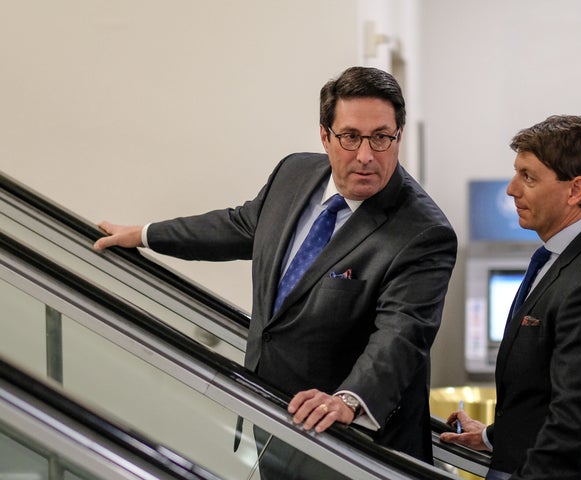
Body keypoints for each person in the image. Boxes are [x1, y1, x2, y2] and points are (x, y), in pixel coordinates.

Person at [93, 66, 458, 470]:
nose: (367, 155)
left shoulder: (423, 233)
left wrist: (348, 400)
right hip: (275, 417)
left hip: (354, 445)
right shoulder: (295, 173)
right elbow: (239, 226)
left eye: (381, 138)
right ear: (325, 135)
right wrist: (145, 234)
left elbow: (401, 334)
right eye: (351, 137)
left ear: (398, 136)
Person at [440, 115, 581, 480]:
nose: (511, 189)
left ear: (575, 190)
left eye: (528, 177)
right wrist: (491, 437)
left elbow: (571, 431)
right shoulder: (557, 262)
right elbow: (542, 399)